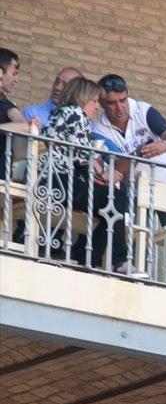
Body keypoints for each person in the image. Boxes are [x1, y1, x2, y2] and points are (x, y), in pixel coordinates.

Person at [42, 78, 132, 269]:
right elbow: (83, 154)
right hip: (60, 181)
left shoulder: (60, 113)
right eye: (95, 101)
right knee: (116, 199)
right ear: (82, 98)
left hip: (54, 180)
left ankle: (89, 254)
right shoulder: (75, 113)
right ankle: (112, 259)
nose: (98, 107)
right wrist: (105, 174)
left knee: (112, 203)